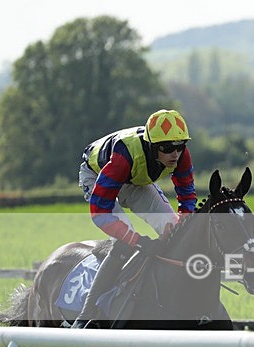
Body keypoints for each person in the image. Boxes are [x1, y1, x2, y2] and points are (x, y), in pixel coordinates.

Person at [71, 109, 197, 328]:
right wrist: (137, 240)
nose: (175, 154)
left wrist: (185, 225)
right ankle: (87, 313)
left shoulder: (181, 155)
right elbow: (100, 213)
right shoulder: (123, 157)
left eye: (180, 146)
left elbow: (187, 197)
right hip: (98, 175)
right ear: (152, 146)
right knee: (124, 244)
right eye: (167, 148)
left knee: (173, 229)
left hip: (134, 178)